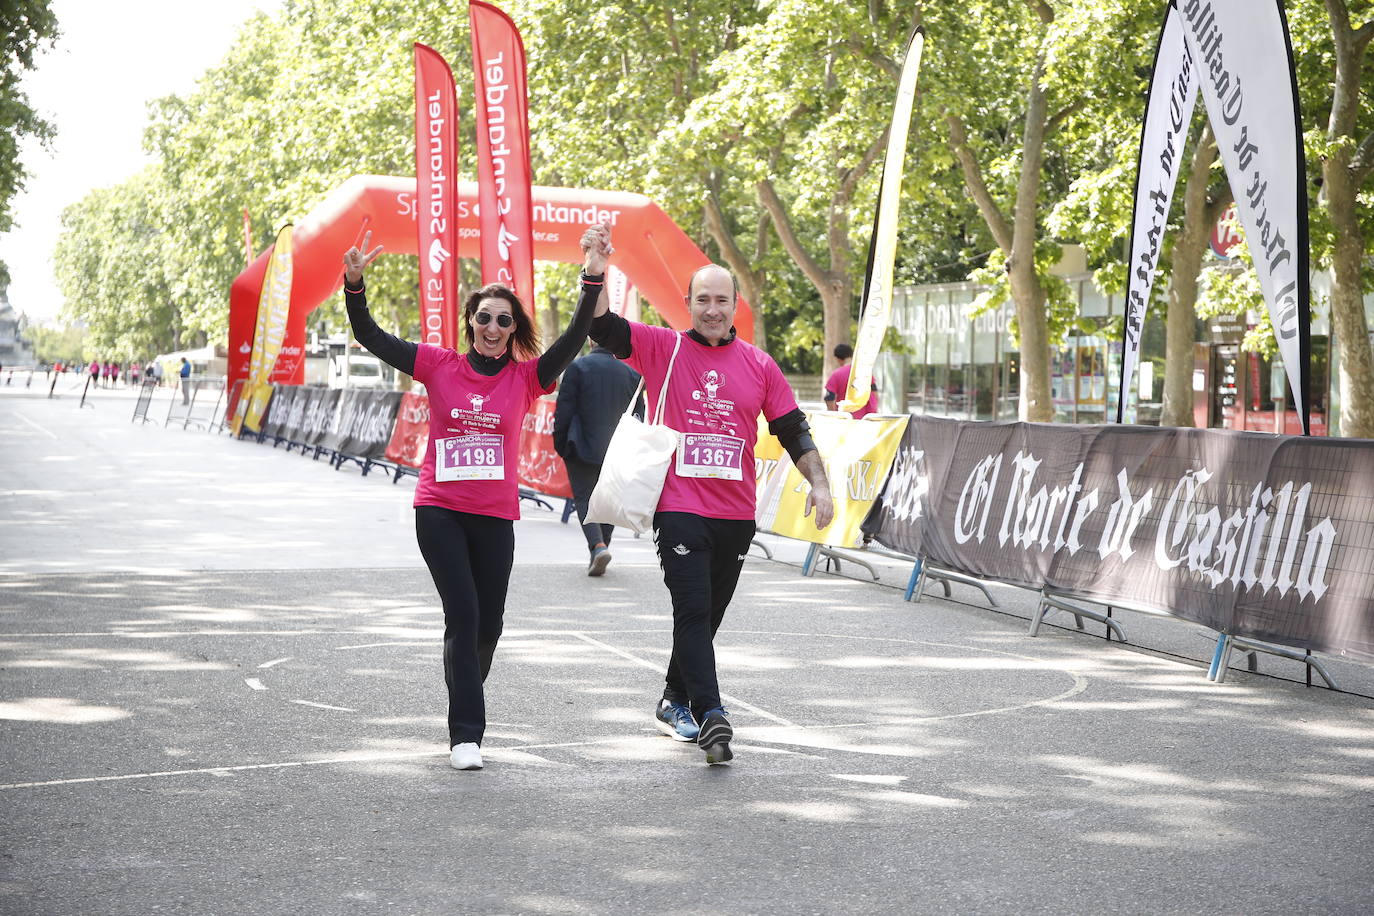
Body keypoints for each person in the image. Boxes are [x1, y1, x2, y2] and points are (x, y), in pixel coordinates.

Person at [341, 227, 606, 772]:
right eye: (484, 317)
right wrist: (354, 285)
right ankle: (467, 732)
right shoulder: (439, 365)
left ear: (514, 329)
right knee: (462, 613)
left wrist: (592, 274)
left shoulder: (529, 378)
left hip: (494, 517)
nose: (492, 327)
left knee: (489, 626)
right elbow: (371, 336)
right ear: (470, 322)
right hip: (439, 508)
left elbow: (578, 333)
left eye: (504, 320)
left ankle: (462, 685)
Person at [583, 224, 834, 766]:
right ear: (689, 304)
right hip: (679, 509)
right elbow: (602, 327)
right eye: (703, 300)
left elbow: (792, 428)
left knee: (708, 615)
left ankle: (674, 700)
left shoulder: (760, 365)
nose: (713, 309)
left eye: (722, 300)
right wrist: (596, 267)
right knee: (692, 611)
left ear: (735, 305)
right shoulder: (663, 347)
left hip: (736, 514)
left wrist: (820, 483)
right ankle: (712, 713)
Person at [552, 343, 643, 576]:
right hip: (618, 449)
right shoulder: (632, 374)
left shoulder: (577, 367)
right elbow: (638, 416)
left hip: (581, 445)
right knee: (609, 500)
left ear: (592, 341)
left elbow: (564, 410)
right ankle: (601, 549)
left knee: (584, 498)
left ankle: (598, 546)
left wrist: (560, 443)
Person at [823, 343, 879, 418]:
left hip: (846, 419)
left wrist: (834, 416)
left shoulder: (836, 375)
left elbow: (829, 398)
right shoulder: (865, 372)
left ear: (838, 359)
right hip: (866, 419)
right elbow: (874, 392)